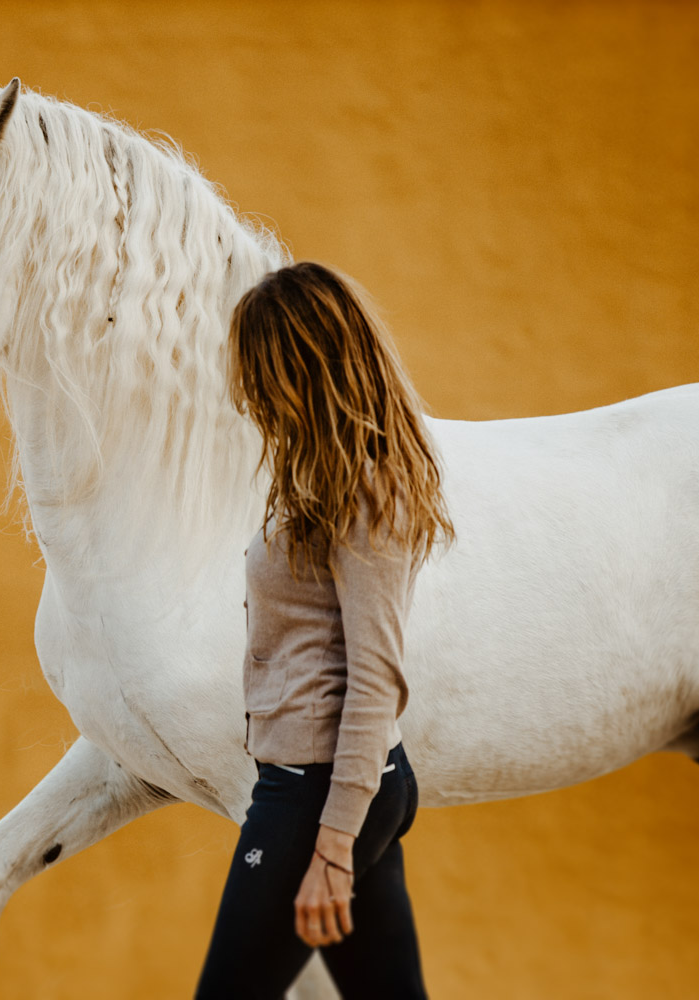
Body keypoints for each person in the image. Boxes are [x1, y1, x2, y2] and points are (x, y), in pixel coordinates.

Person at [194, 262, 454, 999]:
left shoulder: (369, 495)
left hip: (317, 793)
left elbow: (377, 679)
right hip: (328, 784)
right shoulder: (329, 482)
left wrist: (333, 848)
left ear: (300, 369)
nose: (248, 397)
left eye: (258, 374)